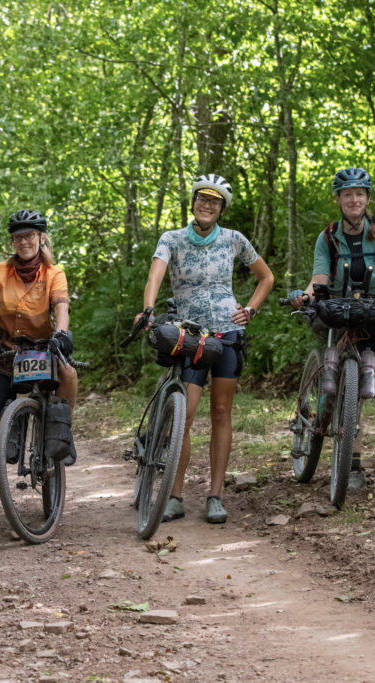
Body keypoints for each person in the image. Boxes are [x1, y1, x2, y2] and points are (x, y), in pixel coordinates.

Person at [137, 174, 274, 524]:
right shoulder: (173, 238)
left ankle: (215, 495)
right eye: (202, 198)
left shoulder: (233, 240)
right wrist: (149, 307)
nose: (207, 205)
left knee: (222, 412)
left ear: (222, 207)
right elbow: (156, 273)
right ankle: (175, 494)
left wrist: (252, 310)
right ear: (193, 202)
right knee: (186, 413)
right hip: (191, 335)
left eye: (215, 201)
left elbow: (266, 277)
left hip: (228, 333)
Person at [288, 167, 375, 491]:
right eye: (348, 194)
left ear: (367, 198)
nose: (354, 199)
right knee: (345, 392)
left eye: (360, 194)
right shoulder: (327, 237)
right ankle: (351, 466)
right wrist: (305, 295)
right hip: (342, 315)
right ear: (338, 199)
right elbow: (319, 279)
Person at [0, 209, 77, 539]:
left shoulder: (55, 273)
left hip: (42, 348)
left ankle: (62, 432)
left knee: (69, 373)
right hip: (6, 351)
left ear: (41, 238)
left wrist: (62, 333)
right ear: (12, 242)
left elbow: (61, 308)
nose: (23, 242)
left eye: (29, 235)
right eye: (17, 237)